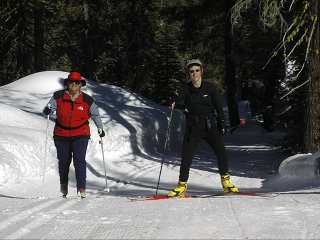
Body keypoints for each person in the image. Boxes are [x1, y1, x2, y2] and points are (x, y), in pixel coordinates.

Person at [167, 59, 239, 197]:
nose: (194, 73)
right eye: (191, 71)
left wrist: (222, 124)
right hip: (193, 127)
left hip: (210, 125)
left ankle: (226, 182)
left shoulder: (210, 87)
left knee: (221, 152)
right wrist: (175, 103)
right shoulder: (186, 88)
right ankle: (181, 186)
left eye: (197, 70)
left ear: (201, 71)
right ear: (189, 74)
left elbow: (218, 107)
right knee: (186, 157)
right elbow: (180, 102)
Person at [43, 71, 105, 198]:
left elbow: (95, 115)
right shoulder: (58, 96)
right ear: (67, 83)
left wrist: (100, 128)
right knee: (64, 162)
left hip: (81, 133)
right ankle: (63, 188)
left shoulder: (87, 100)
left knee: (79, 160)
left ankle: (81, 189)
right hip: (61, 134)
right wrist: (48, 110)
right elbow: (48, 110)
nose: (74, 85)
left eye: (77, 83)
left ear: (81, 85)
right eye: (71, 82)